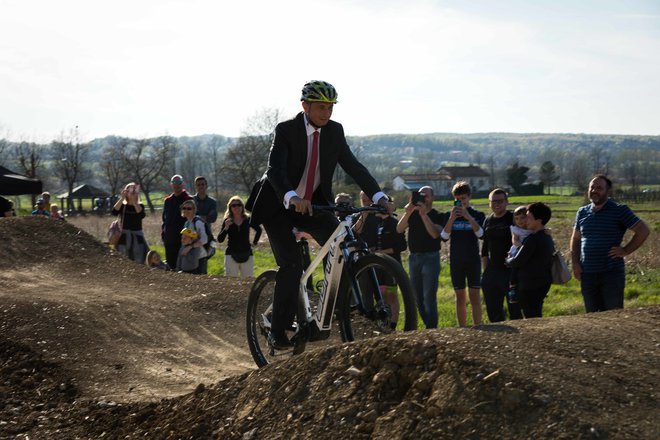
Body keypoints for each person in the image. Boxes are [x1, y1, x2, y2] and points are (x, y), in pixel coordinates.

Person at [246, 80, 387, 350]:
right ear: (305, 106)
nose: (327, 112)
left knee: (341, 245)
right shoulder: (286, 129)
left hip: (312, 205)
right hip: (278, 205)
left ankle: (328, 312)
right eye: (321, 107)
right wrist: (292, 197)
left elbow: (353, 167)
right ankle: (277, 330)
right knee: (292, 265)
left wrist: (379, 196)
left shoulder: (334, 131)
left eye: (330, 107)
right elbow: (274, 170)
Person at [570, 175, 650, 313]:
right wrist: (576, 263)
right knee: (593, 317)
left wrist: (625, 250)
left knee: (614, 316)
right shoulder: (582, 212)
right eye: (592, 187)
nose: (594, 190)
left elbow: (643, 230)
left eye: (599, 188)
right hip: (587, 274)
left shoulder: (619, 210)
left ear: (609, 191)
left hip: (611, 274)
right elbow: (576, 239)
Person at [396, 185, 443, 329]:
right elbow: (399, 229)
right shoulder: (413, 214)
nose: (423, 198)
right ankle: (428, 326)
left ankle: (431, 328)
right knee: (417, 298)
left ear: (433, 198)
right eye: (420, 195)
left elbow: (435, 234)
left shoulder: (437, 215)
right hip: (414, 258)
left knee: (429, 297)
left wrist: (424, 215)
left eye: (426, 195)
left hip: (431, 258)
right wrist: (408, 212)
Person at [355, 195, 406, 328]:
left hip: (392, 265)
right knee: (383, 296)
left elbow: (401, 246)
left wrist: (381, 252)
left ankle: (393, 325)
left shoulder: (394, 223)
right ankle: (386, 324)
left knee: (392, 296)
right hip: (380, 265)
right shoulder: (379, 223)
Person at [440, 181, 485, 327]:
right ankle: (463, 329)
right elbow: (444, 237)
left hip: (473, 260)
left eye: (464, 198)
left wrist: (468, 217)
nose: (461, 202)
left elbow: (481, 234)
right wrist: (452, 219)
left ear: (469, 197)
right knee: (460, 297)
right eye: (458, 199)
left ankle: (478, 326)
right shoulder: (450, 215)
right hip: (456, 261)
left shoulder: (477, 215)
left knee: (474, 296)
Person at [506, 202, 554, 318]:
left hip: (530, 284)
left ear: (538, 220)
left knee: (531, 316)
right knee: (537, 314)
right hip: (543, 282)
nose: (526, 219)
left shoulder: (532, 239)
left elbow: (518, 261)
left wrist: (508, 260)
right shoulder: (547, 237)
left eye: (529, 216)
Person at [481, 189, 522, 322]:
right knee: (494, 312)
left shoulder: (513, 219)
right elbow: (485, 248)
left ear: (507, 202)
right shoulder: (488, 220)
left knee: (514, 310)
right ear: (489, 203)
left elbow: (528, 233)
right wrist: (486, 272)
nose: (497, 204)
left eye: (500, 201)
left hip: (510, 272)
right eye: (494, 201)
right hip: (492, 272)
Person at [217, 196, 262, 277]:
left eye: (239, 205)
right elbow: (220, 239)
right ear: (230, 208)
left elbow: (259, 230)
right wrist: (226, 228)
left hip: (247, 253)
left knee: (248, 281)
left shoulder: (247, 219)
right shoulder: (227, 221)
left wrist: (254, 242)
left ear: (242, 206)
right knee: (230, 281)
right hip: (231, 254)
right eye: (233, 205)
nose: (236, 207)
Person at [111, 182, 149, 264]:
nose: (131, 193)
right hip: (123, 237)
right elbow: (114, 212)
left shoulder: (140, 206)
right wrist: (122, 198)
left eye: (133, 190)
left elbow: (141, 214)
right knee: (123, 260)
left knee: (139, 259)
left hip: (137, 237)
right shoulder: (123, 205)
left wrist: (134, 201)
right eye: (129, 190)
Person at [162, 174, 192, 270]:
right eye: (174, 183)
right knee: (171, 267)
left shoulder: (188, 199)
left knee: (183, 268)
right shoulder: (168, 200)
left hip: (183, 239)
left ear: (182, 183)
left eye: (179, 182)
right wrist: (164, 234)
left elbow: (192, 219)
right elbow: (165, 219)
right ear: (171, 185)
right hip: (169, 239)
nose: (176, 185)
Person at [507, 206, 533, 304]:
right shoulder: (516, 229)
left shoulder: (532, 229)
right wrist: (522, 246)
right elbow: (514, 240)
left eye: (522, 218)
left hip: (529, 253)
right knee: (514, 270)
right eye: (517, 219)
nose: (519, 221)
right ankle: (513, 290)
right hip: (517, 251)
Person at [193, 176, 218, 274]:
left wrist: (197, 216)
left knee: (203, 265)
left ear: (206, 186)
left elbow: (213, 218)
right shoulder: (191, 200)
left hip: (206, 237)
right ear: (196, 186)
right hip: (192, 236)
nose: (201, 187)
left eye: (203, 184)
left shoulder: (212, 202)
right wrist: (205, 216)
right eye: (198, 185)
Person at [179, 199, 208, 274]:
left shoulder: (198, 222)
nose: (186, 210)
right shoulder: (186, 223)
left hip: (200, 256)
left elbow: (205, 239)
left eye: (189, 208)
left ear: (194, 210)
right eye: (184, 208)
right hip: (190, 256)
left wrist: (190, 246)